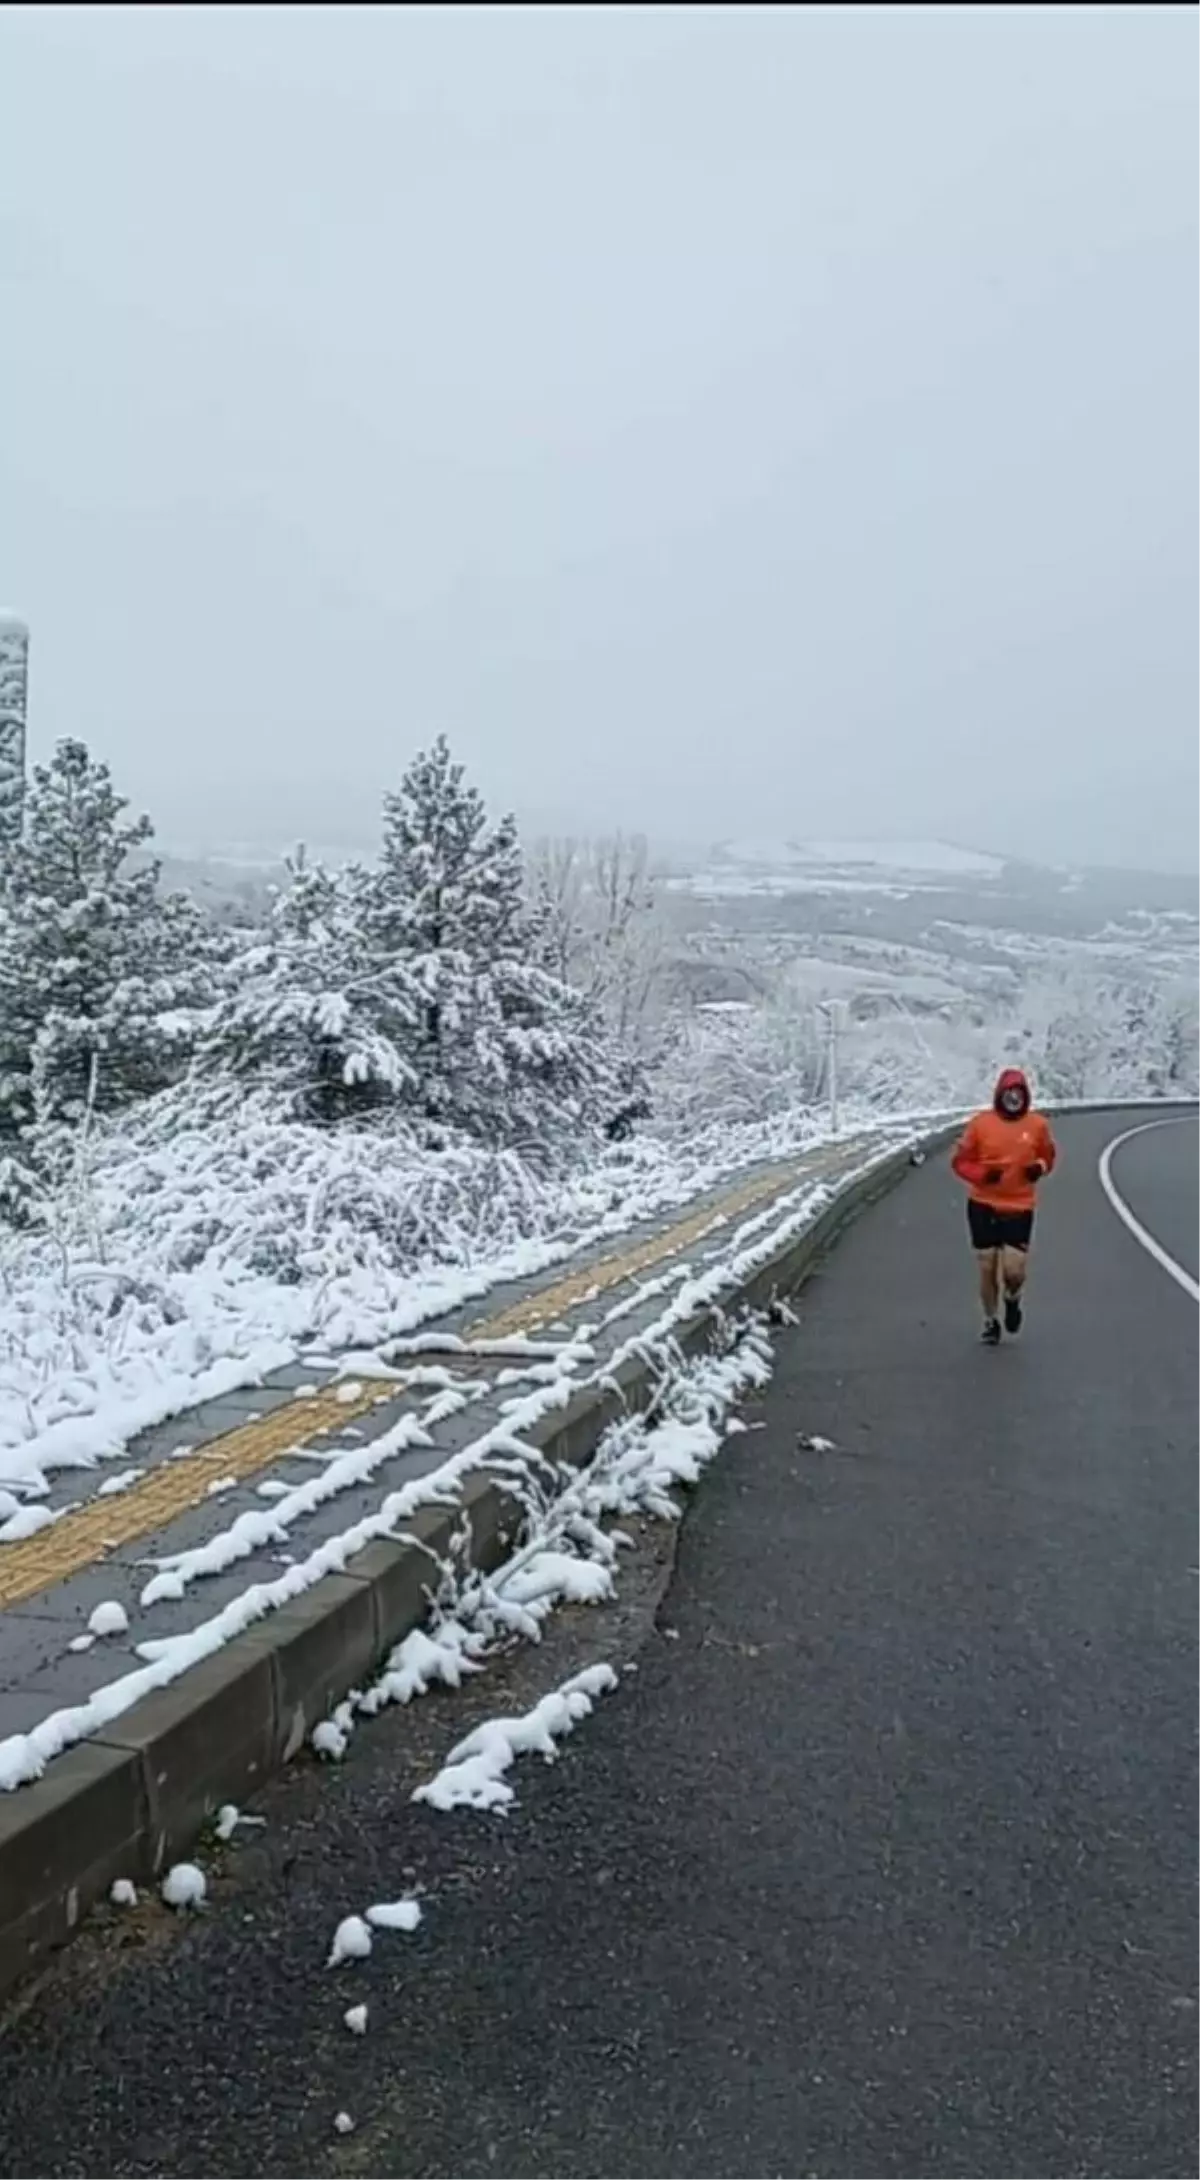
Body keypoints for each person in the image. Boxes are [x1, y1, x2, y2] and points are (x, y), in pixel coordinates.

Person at [951, 1068, 1057, 1345]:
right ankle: (990, 1321)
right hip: (983, 1204)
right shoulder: (980, 1125)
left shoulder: (1037, 1126)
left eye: (1018, 1095)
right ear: (1000, 1095)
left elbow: (1049, 1155)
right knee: (987, 1266)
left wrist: (1039, 1167)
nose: (1014, 1100)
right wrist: (982, 1175)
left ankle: (1012, 1298)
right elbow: (960, 1162)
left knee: (1014, 1271)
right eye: (1009, 1094)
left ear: (1025, 1096)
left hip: (1019, 1206)